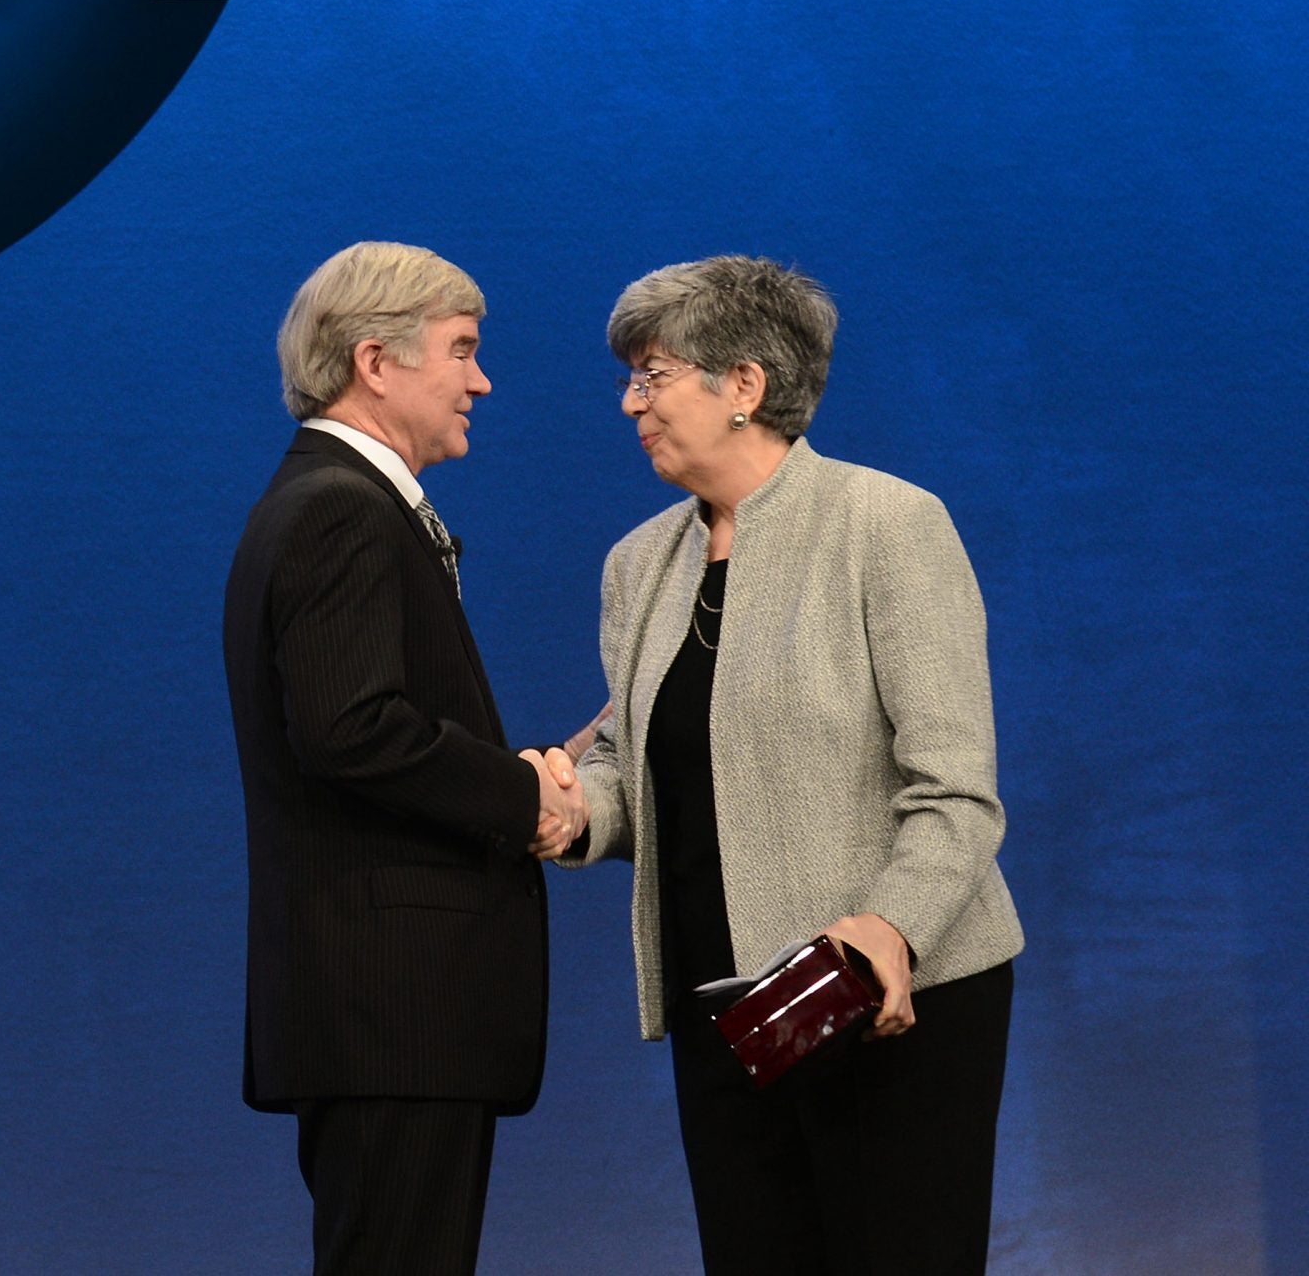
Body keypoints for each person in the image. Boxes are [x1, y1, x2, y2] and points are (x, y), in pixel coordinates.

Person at [552, 255, 1025, 1274]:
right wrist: (571, 813)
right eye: (629, 376)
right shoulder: (637, 565)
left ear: (745, 386)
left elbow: (956, 791)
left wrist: (886, 928)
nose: (628, 400)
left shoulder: (888, 526)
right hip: (722, 1006)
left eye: (653, 373)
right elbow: (644, 778)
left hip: (888, 1004)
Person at [224, 242, 584, 1276]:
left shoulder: (330, 502)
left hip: (389, 1017)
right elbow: (351, 730)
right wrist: (521, 795)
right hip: (392, 1015)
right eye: (462, 352)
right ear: (374, 361)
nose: (481, 380)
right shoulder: (339, 508)